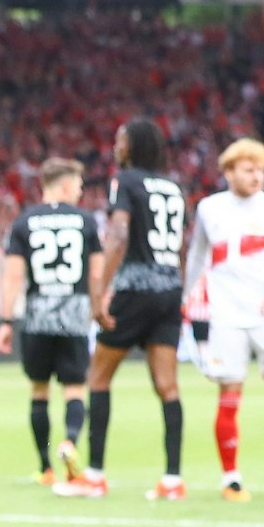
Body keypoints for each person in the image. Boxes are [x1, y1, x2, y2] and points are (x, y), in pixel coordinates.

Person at [56, 118, 188, 500]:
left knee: (97, 377)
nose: (117, 145)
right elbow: (179, 245)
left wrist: (99, 292)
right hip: (169, 288)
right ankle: (173, 480)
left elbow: (118, 235)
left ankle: (94, 475)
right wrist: (175, 285)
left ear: (133, 146)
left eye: (121, 140)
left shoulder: (125, 181)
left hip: (135, 288)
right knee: (168, 386)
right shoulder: (174, 187)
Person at [184, 138, 264, 500]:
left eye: (260, 169)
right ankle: (231, 478)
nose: (256, 175)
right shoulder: (209, 209)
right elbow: (197, 258)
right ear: (228, 172)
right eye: (247, 169)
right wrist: (185, 296)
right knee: (230, 392)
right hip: (226, 316)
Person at [0, 158, 105, 485]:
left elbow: (13, 276)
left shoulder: (25, 221)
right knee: (74, 388)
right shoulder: (86, 221)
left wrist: (4, 320)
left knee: (39, 389)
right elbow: (97, 273)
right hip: (74, 314)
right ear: (66, 184)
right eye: (79, 184)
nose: (82, 190)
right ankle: (69, 441)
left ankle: (44, 467)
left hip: (38, 316)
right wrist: (97, 309)